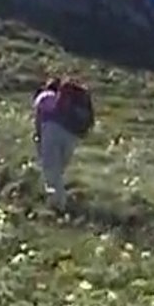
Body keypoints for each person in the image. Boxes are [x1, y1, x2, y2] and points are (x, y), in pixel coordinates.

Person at [32, 77, 92, 212]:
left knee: (51, 171)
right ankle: (56, 201)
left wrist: (38, 137)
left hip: (52, 129)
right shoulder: (72, 106)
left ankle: (58, 208)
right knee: (57, 171)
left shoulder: (45, 96)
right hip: (72, 135)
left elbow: (38, 118)